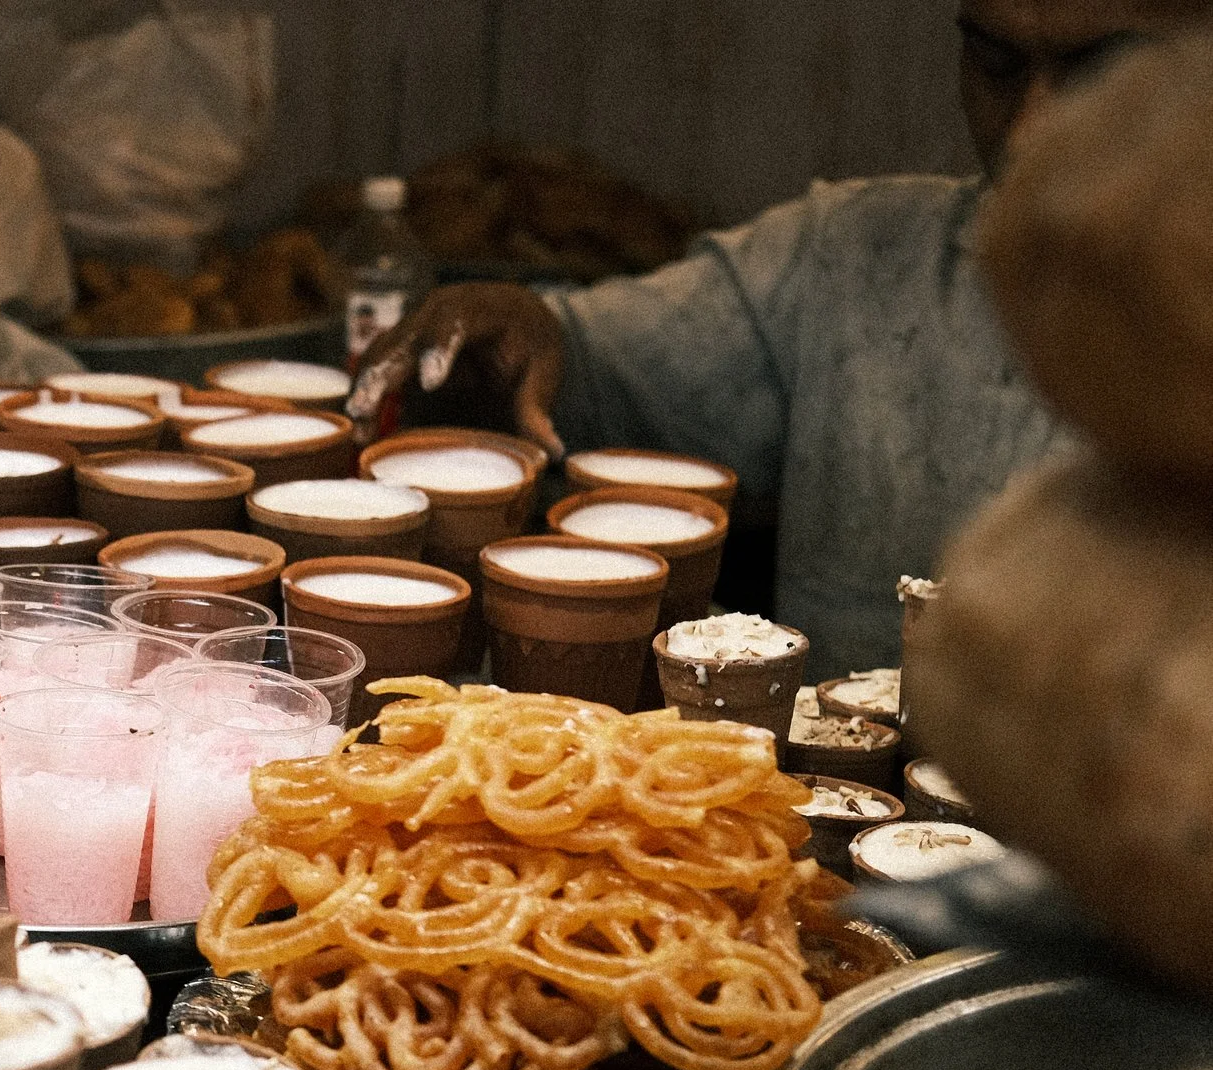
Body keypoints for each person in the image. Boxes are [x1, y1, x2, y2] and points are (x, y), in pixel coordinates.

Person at [352, 0, 1212, 677]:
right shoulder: (852, 260)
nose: (1028, 129)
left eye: (1105, 70)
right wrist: (524, 338)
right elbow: (592, 367)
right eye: (995, 63)